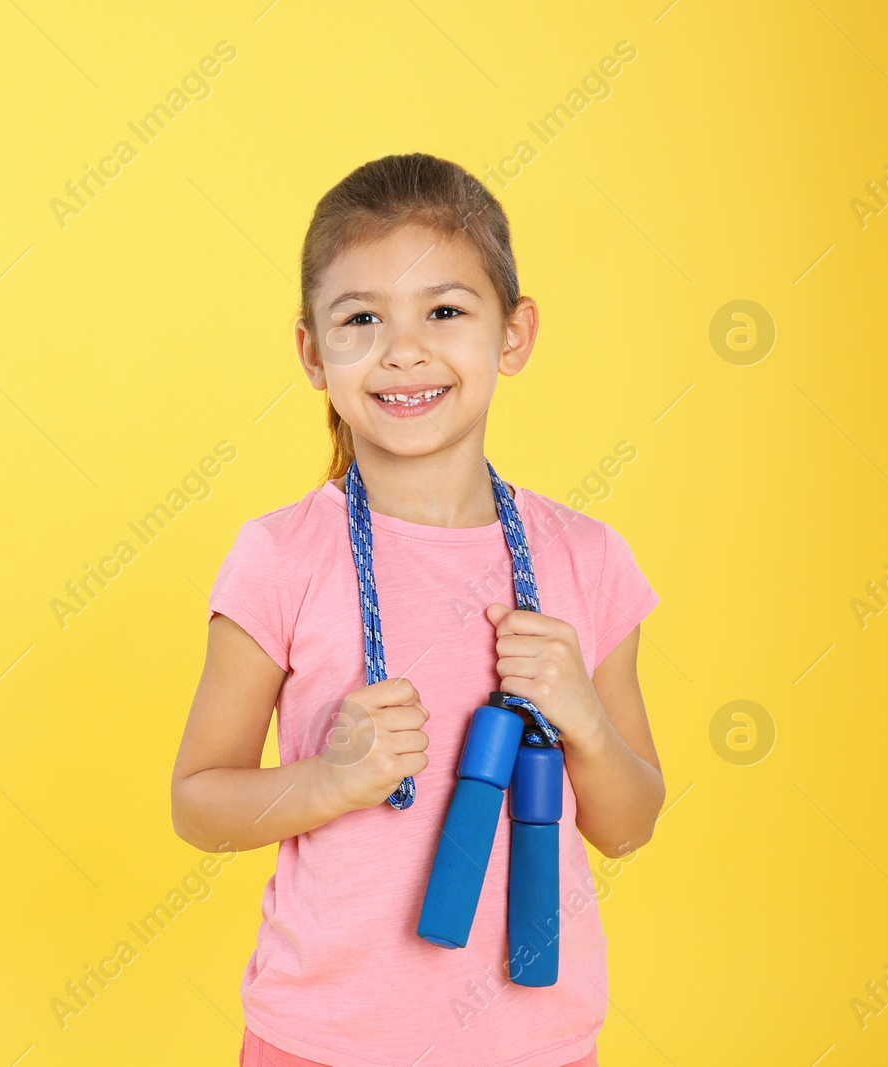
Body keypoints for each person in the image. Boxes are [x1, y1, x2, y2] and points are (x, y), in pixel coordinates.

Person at [170, 152, 665, 1067]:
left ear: (513, 335)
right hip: (321, 1042)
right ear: (314, 352)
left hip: (536, 1047)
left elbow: (630, 823)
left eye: (445, 310)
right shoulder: (279, 557)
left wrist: (585, 721)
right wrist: (326, 781)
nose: (403, 350)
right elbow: (198, 803)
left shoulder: (587, 560)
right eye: (361, 320)